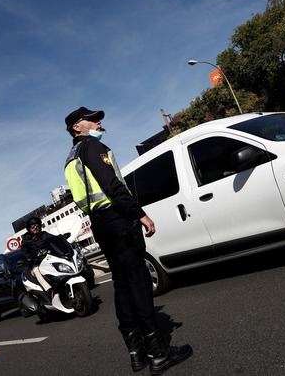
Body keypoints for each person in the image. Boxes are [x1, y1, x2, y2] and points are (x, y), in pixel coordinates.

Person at [64, 107, 192, 375]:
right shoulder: (91, 148)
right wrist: (140, 214)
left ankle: (136, 353)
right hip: (118, 219)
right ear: (77, 127)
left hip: (101, 224)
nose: (99, 122)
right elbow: (111, 185)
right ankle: (158, 354)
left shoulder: (70, 158)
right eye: (92, 119)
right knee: (139, 284)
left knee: (122, 286)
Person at [20, 217, 53, 291]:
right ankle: (49, 290)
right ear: (29, 228)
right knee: (36, 270)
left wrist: (62, 237)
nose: (35, 228)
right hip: (36, 263)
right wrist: (30, 258)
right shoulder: (26, 239)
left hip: (48, 259)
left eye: (37, 226)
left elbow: (54, 238)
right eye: (33, 227)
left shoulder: (44, 234)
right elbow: (24, 251)